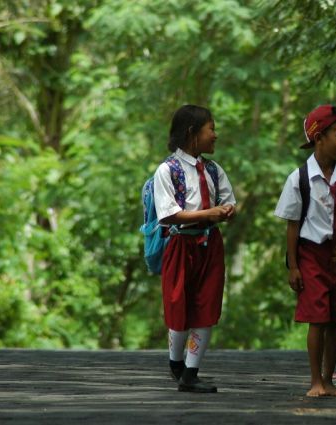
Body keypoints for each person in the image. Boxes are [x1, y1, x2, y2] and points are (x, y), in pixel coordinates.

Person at [274, 104, 336, 397]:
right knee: (317, 318)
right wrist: (293, 265)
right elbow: (292, 226)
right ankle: (315, 380)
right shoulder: (299, 179)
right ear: (319, 138)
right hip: (312, 255)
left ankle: (329, 380)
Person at [153, 104, 236, 393]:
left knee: (207, 303)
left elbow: (228, 200)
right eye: (210, 128)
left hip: (210, 244)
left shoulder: (213, 169)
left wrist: (225, 211)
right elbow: (168, 214)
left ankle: (191, 371)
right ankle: (176, 363)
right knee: (179, 303)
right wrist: (209, 214)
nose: (215, 135)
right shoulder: (167, 170)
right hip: (181, 243)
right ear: (192, 133)